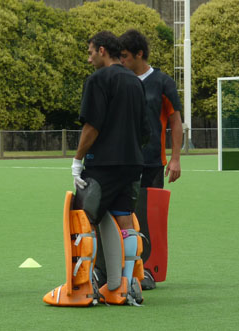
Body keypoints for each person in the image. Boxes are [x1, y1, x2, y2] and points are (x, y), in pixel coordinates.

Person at [72, 31, 149, 303]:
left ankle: (87, 287)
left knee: (85, 219)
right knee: (125, 219)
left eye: (91, 51)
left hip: (103, 163)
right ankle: (127, 285)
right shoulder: (135, 81)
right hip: (132, 162)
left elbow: (92, 125)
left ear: (102, 50)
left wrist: (77, 159)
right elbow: (145, 129)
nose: (89, 57)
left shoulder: (97, 80)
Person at [119, 29, 183, 290]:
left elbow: (176, 120)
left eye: (124, 56)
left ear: (139, 54)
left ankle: (148, 270)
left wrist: (176, 159)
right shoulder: (120, 79)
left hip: (153, 162)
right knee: (125, 216)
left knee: (149, 218)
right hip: (123, 162)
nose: (121, 60)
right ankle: (124, 268)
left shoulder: (162, 82)